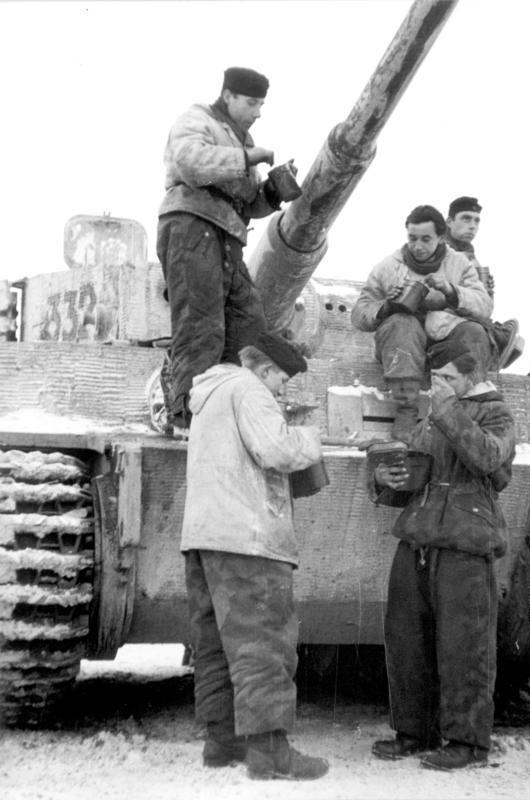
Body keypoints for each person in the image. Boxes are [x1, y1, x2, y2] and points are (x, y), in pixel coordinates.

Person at [181, 331, 329, 782]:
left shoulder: (209, 393)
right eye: (281, 379)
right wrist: (311, 436)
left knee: (216, 645)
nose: (282, 389)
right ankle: (269, 754)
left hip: (204, 537)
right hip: (249, 537)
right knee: (263, 644)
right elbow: (277, 449)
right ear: (263, 369)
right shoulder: (250, 390)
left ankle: (221, 743)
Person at [370, 340, 516, 770]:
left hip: (466, 545)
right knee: (407, 643)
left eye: (450, 379)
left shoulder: (497, 413)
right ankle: (414, 733)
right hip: (417, 540)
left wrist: (447, 408)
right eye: (437, 379)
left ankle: (468, 744)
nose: (440, 386)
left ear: (472, 378)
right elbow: (414, 474)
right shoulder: (436, 415)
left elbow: (488, 458)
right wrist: (386, 478)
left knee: (464, 648)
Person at [157, 67, 286, 430]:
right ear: (228, 95)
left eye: (261, 104)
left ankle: (224, 409)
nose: (258, 111)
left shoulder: (241, 139)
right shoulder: (197, 119)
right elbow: (189, 162)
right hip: (191, 225)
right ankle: (187, 418)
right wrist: (246, 159)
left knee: (248, 323)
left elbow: (247, 203)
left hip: (227, 235)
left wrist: (271, 194)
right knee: (201, 326)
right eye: (251, 102)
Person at [351, 204, 493, 440]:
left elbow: (484, 306)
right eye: (412, 238)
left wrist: (451, 291)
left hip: (443, 344)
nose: (418, 246)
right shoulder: (389, 267)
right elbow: (359, 313)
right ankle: (406, 409)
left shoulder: (458, 264)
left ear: (440, 237)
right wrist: (386, 306)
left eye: (426, 239)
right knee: (400, 323)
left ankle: (469, 412)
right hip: (401, 348)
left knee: (474, 332)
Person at [446, 196, 523, 370]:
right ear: (449, 222)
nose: (472, 225)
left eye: (476, 221)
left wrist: (486, 290)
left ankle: (496, 340)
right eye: (466, 218)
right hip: (446, 319)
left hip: (464, 317)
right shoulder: (440, 249)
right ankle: (496, 338)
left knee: (514, 342)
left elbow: (484, 306)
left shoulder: (467, 252)